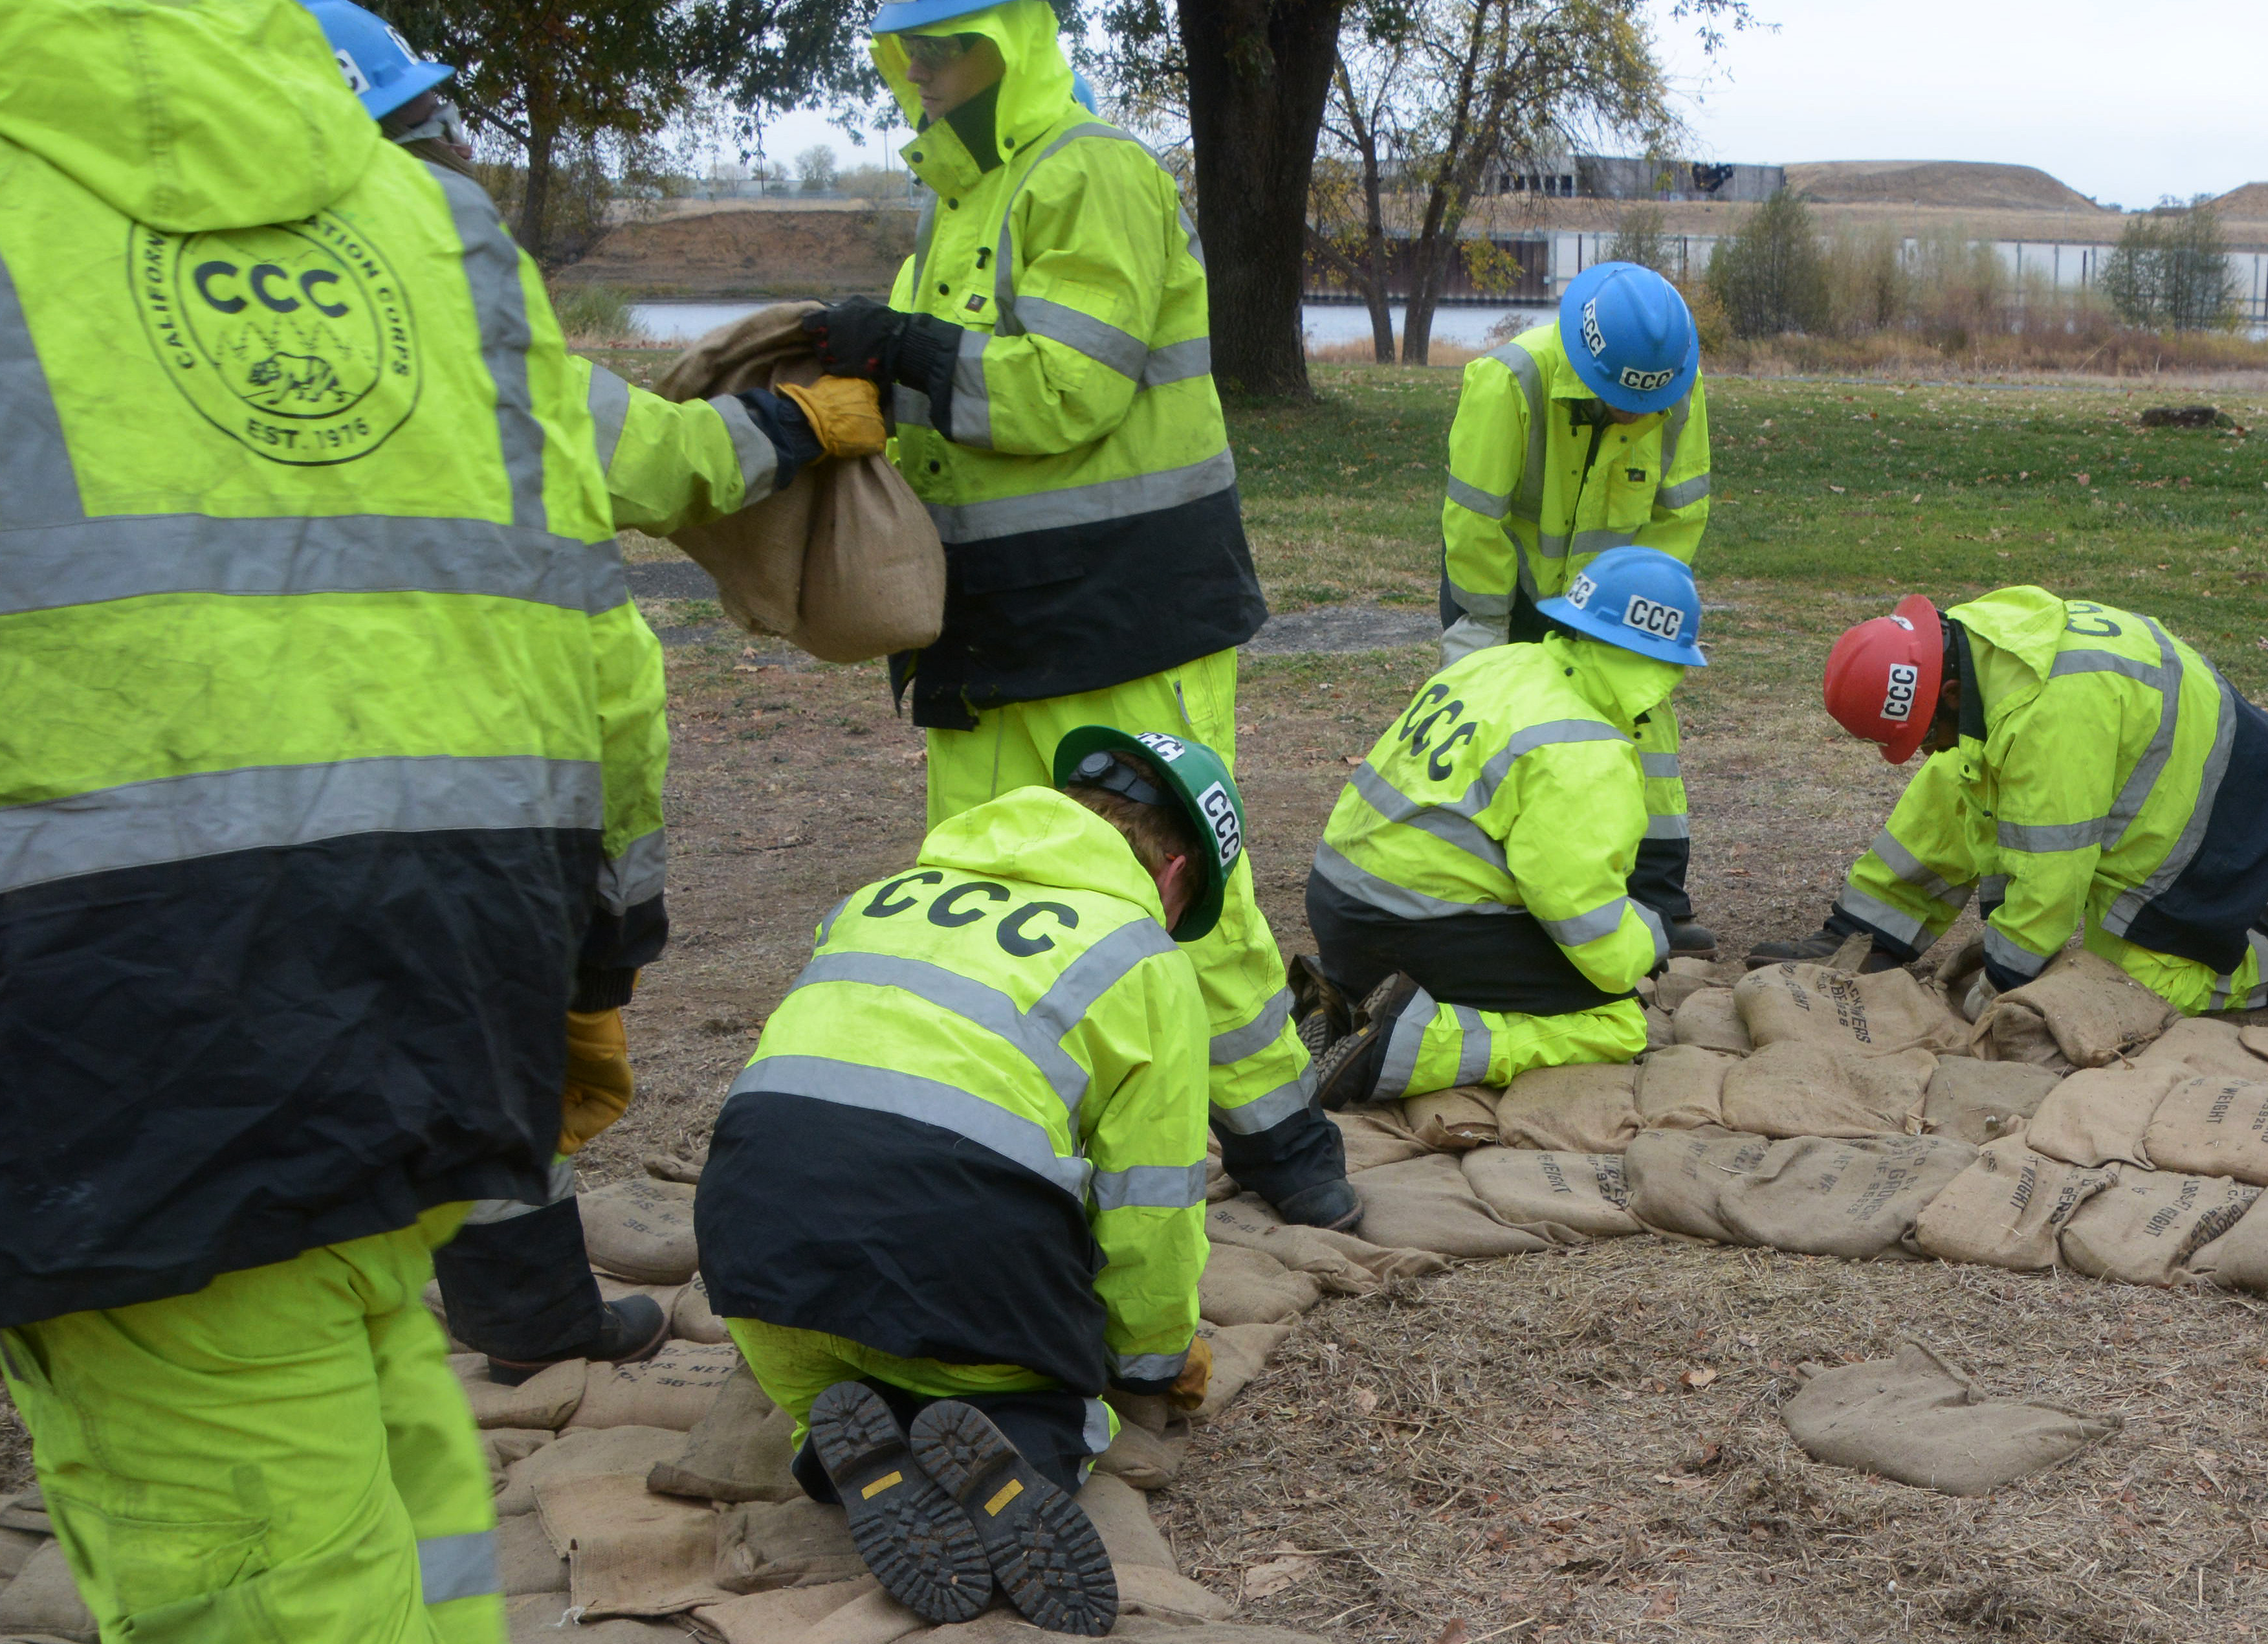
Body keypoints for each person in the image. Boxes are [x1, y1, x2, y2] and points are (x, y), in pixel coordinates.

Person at [0, 1, 669, 1644]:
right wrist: (594, 962)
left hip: (94, 1015)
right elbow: (596, 635)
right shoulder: (432, 224)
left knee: (274, 1601)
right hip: (433, 958)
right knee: (385, 1462)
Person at [303, 1, 890, 1379]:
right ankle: (524, 1319)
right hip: (506, 774)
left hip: (347, 774)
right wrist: (797, 421)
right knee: (495, 1058)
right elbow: (661, 459)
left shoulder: (228, 353)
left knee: (406, 1052)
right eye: (426, 133)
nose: (456, 159)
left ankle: (432, 1301)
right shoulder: (453, 313)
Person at [813, 0, 1350, 1231]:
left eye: (953, 47)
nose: (931, 75)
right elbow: (950, 412)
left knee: (1175, 892)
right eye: (915, 52)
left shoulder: (1093, 174)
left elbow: (1068, 391)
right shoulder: (953, 207)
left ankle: (1282, 1140)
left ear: (1017, 45)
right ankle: (1017, 1161)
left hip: (1124, 622)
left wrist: (898, 347)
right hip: (990, 636)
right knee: (992, 910)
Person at [696, 732, 1239, 1637]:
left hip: (756, 1252)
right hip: (958, 1253)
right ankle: (1017, 1438)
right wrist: (1148, 1361)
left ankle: (836, 1451)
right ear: (1176, 871)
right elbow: (1151, 1207)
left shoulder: (879, 896)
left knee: (837, 1363)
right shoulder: (1140, 953)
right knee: (1046, 1407)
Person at [1748, 589, 2268, 1017]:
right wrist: (1867, 941)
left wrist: (1998, 989)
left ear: (1948, 692)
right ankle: (1869, 930)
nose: (1923, 750)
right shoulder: (1973, 644)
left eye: (1923, 734)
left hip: (2227, 810)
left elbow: (2050, 887)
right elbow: (1980, 810)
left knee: (2133, 986)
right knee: (1957, 774)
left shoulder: (2049, 726)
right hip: (2156, 773)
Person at [1305, 548, 1703, 1103]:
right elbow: (1578, 909)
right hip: (1411, 927)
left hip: (1338, 904)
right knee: (1615, 1017)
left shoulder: (1500, 663)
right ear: (1665, 664)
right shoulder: (1585, 744)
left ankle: (1347, 998)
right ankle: (1405, 1047)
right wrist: (1648, 942)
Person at [1435, 260, 1716, 952]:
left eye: (1646, 405)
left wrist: (1639, 620)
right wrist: (1483, 635)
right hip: (1510, 588)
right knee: (1499, 730)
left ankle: (1657, 896)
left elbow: (1678, 515)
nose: (1637, 416)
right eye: (1623, 401)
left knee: (1645, 731)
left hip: (1615, 601)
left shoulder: (1676, 389)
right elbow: (1476, 521)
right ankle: (1488, 892)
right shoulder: (1508, 381)